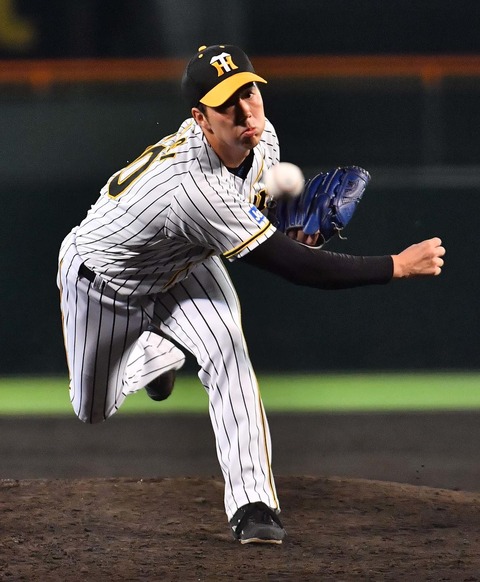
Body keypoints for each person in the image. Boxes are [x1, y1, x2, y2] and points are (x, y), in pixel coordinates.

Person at [57, 44, 445, 545]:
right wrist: (395, 266)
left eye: (250, 92)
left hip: (185, 263)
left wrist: (291, 230)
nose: (246, 111)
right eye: (227, 103)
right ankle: (154, 356)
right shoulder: (192, 187)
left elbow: (258, 216)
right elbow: (296, 268)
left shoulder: (263, 138)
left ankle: (253, 504)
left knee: (228, 351)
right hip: (105, 283)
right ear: (200, 119)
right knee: (91, 409)